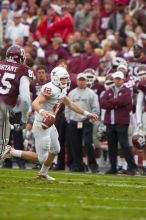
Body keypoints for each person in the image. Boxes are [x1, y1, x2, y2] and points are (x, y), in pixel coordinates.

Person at [1, 66, 98, 181]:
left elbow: (70, 103)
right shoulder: (49, 89)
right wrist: (43, 112)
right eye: (63, 79)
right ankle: (11, 151)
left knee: (56, 149)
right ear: (56, 78)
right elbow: (35, 103)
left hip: (50, 123)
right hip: (41, 124)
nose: (65, 81)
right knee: (42, 158)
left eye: (66, 79)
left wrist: (87, 114)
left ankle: (43, 173)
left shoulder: (62, 89)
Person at [0, 44, 34, 158]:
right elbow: (25, 99)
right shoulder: (23, 70)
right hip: (3, 109)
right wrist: (24, 118)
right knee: (2, 148)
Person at [100, 71, 137, 175]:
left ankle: (132, 167)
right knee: (111, 146)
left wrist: (111, 102)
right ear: (113, 79)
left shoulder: (127, 90)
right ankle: (113, 167)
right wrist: (115, 103)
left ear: (123, 79)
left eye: (119, 79)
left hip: (122, 121)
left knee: (125, 145)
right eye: (116, 78)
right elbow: (102, 103)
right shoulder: (109, 90)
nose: (118, 80)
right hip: (110, 122)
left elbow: (123, 101)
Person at [65, 72, 100, 172]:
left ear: (86, 81)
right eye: (80, 80)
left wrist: (91, 119)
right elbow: (67, 107)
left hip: (86, 121)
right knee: (75, 144)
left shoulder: (91, 93)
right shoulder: (72, 93)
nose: (81, 82)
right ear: (77, 81)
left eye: (83, 80)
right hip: (74, 121)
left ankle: (93, 165)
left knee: (88, 143)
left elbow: (95, 108)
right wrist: (69, 119)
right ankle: (78, 165)